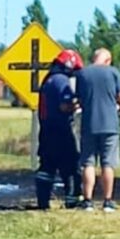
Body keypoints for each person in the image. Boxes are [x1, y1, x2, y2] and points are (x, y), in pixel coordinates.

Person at [75, 48, 120, 212]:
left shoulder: (82, 74)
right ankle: (107, 201)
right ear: (108, 60)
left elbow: (79, 98)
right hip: (109, 125)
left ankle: (88, 201)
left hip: (89, 123)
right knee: (108, 163)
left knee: (88, 163)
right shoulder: (113, 73)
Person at [35, 49, 83, 210]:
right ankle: (72, 200)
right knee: (70, 166)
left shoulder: (47, 79)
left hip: (46, 128)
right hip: (60, 130)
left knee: (46, 166)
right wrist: (79, 104)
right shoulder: (61, 81)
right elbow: (64, 105)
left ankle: (43, 201)